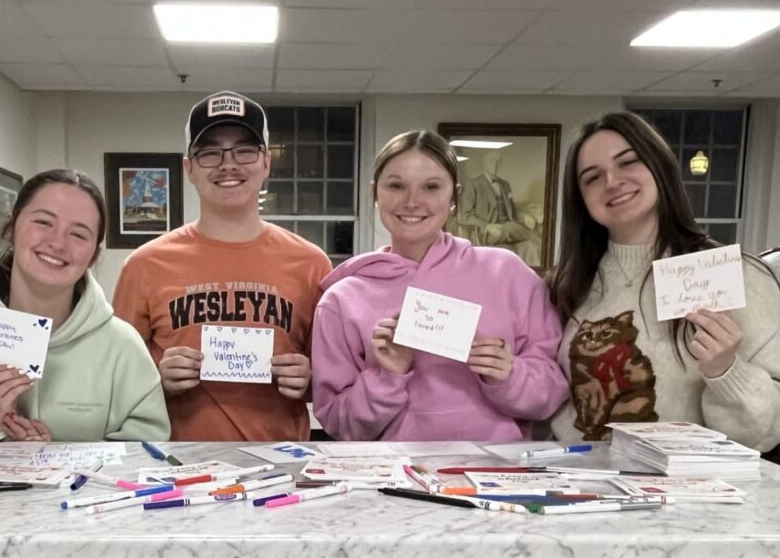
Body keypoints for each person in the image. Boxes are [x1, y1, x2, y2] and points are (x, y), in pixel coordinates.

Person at [312, 131, 568, 441]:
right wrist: (387, 376)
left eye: (431, 187)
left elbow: (554, 389)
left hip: (496, 468)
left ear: (454, 197)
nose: (412, 202)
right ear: (375, 193)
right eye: (396, 186)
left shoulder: (508, 273)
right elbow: (338, 423)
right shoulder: (342, 300)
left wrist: (508, 375)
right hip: (392, 470)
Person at [548, 112, 780, 450]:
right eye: (593, 177)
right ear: (580, 198)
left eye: (628, 162)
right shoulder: (566, 287)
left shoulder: (736, 276)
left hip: (692, 482)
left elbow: (765, 433)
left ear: (659, 165)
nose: (612, 182)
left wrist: (727, 371)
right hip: (577, 477)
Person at [113, 91, 333, 441]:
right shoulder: (143, 266)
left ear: (266, 162)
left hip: (280, 461)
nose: (228, 164)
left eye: (244, 150)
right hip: (176, 463)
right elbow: (115, 386)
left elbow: (333, 381)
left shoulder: (312, 264)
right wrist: (156, 382)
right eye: (210, 153)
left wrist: (309, 380)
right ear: (189, 168)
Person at [0, 169, 169, 442]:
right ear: (12, 227)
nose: (57, 243)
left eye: (78, 234)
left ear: (93, 255)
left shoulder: (123, 347)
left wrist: (60, 459)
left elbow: (150, 450)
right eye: (43, 222)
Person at [457, 150, 542, 265]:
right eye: (492, 160)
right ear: (483, 162)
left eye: (498, 161)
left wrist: (524, 216)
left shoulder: (505, 185)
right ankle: (546, 245)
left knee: (529, 246)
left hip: (507, 231)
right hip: (487, 233)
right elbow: (465, 216)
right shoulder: (473, 185)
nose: (495, 164)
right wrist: (486, 226)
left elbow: (513, 210)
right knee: (527, 232)